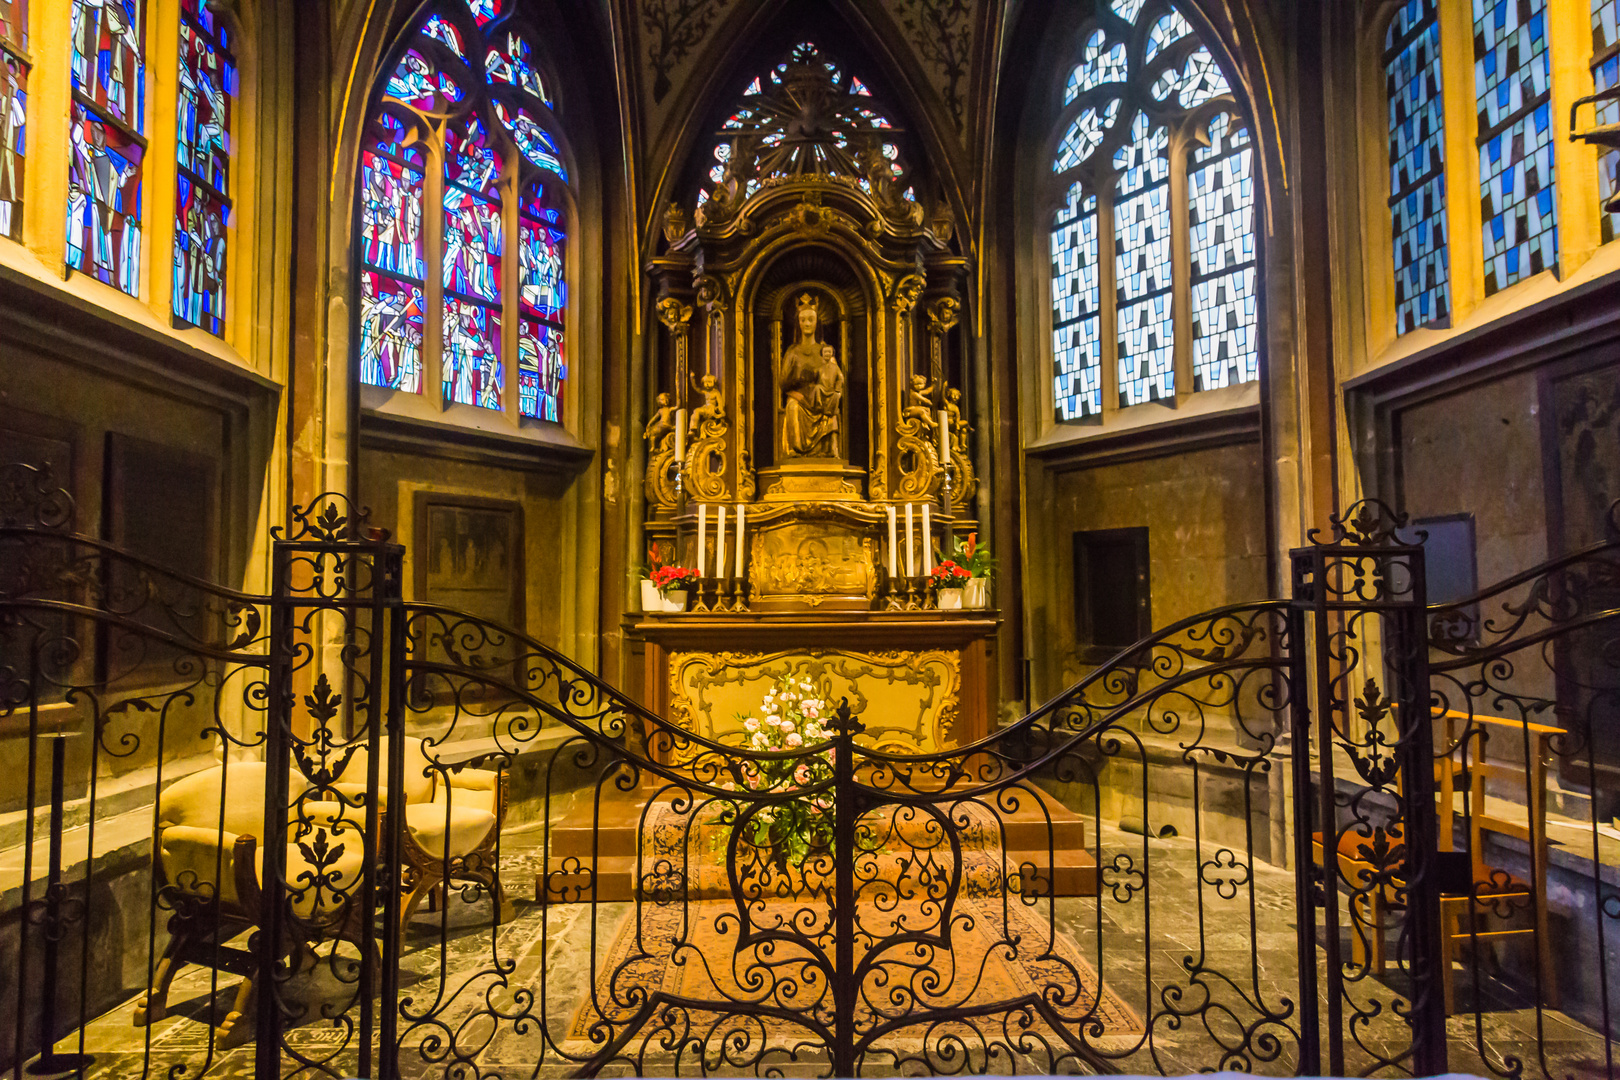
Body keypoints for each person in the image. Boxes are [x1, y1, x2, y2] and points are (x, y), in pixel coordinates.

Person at [777, 293, 842, 459]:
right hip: (798, 399)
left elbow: (835, 377)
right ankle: (795, 450)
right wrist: (797, 388)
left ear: (816, 322)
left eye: (810, 320)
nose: (807, 323)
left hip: (821, 401)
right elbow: (783, 383)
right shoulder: (793, 352)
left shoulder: (825, 351)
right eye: (803, 319)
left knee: (830, 410)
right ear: (798, 323)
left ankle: (828, 450)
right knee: (792, 407)